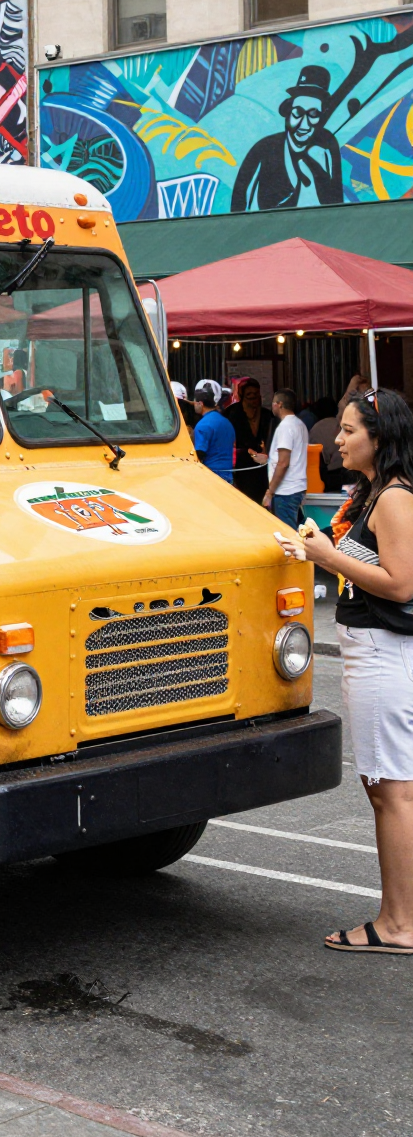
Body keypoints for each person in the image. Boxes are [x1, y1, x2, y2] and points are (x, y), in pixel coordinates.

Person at [284, 389, 413, 954]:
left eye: (349, 430)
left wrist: (326, 557)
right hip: (376, 652)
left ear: (379, 439)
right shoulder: (379, 493)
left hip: (383, 655)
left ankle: (399, 924)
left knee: (391, 792)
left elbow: (402, 584)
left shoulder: (394, 497)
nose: (336, 440)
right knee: (391, 789)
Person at [229, 65, 344, 211]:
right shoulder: (264, 149)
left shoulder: (327, 144)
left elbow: (337, 204)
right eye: (298, 113)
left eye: (313, 114)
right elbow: (239, 204)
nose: (304, 124)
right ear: (287, 112)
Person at [258, 388, 309, 528]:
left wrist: (270, 492)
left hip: (285, 490)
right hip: (296, 487)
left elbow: (283, 463)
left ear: (279, 404)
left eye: (273, 402)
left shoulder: (285, 427)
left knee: (287, 534)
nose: (272, 406)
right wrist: (268, 460)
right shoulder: (300, 424)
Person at [226, 378, 277, 504]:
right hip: (241, 468)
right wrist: (247, 452)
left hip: (262, 468)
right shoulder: (232, 414)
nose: (253, 398)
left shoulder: (267, 415)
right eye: (249, 395)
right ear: (242, 396)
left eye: (256, 394)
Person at [191, 383, 235, 482]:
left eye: (194, 402)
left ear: (200, 404)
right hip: (228, 476)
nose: (194, 405)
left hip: (211, 477)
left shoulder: (202, 425)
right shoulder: (227, 422)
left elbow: (199, 454)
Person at [309, 396, 349, 493]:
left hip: (330, 474)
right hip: (348, 470)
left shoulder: (316, 429)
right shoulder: (343, 425)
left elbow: (315, 456)